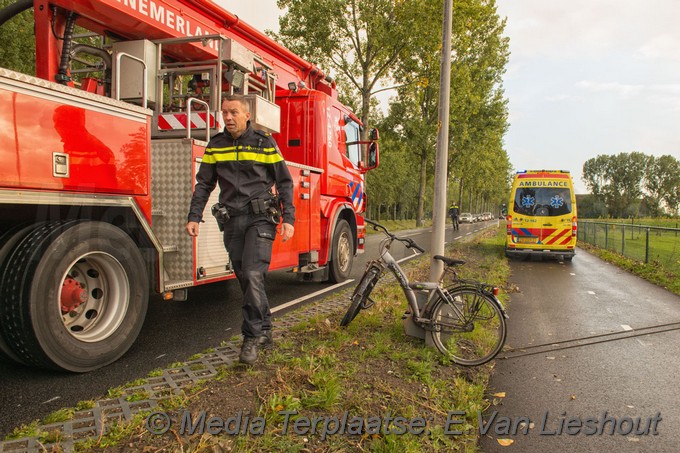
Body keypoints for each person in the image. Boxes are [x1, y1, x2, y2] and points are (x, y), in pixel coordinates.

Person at [186, 94, 295, 365]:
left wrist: (289, 219)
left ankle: (251, 337)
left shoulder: (264, 143)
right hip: (232, 221)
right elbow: (204, 184)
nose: (228, 117)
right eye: (224, 112)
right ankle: (266, 329)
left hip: (260, 220)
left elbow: (284, 182)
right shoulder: (216, 145)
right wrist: (194, 216)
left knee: (253, 273)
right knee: (245, 278)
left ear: (247, 115)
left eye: (234, 112)